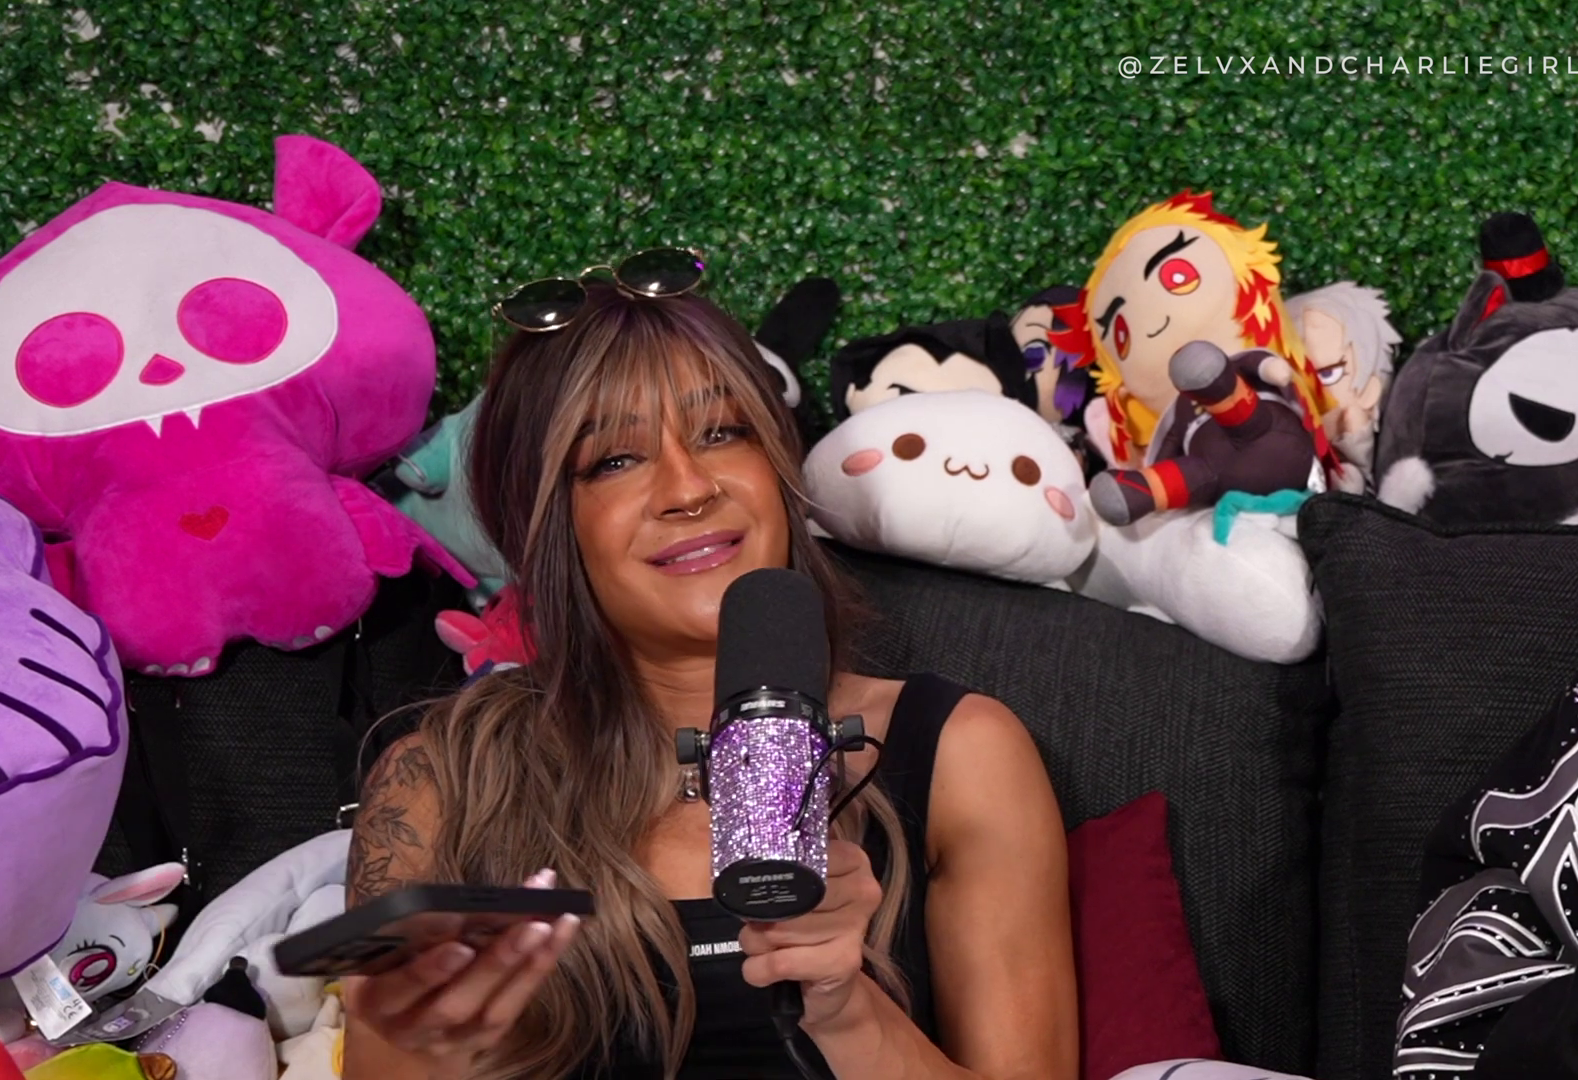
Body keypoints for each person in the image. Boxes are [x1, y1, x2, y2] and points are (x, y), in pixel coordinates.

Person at [341, 258, 1078, 1080]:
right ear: (541, 522)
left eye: (722, 432)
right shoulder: (439, 786)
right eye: (613, 460)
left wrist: (846, 1009)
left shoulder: (962, 752)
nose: (688, 489)